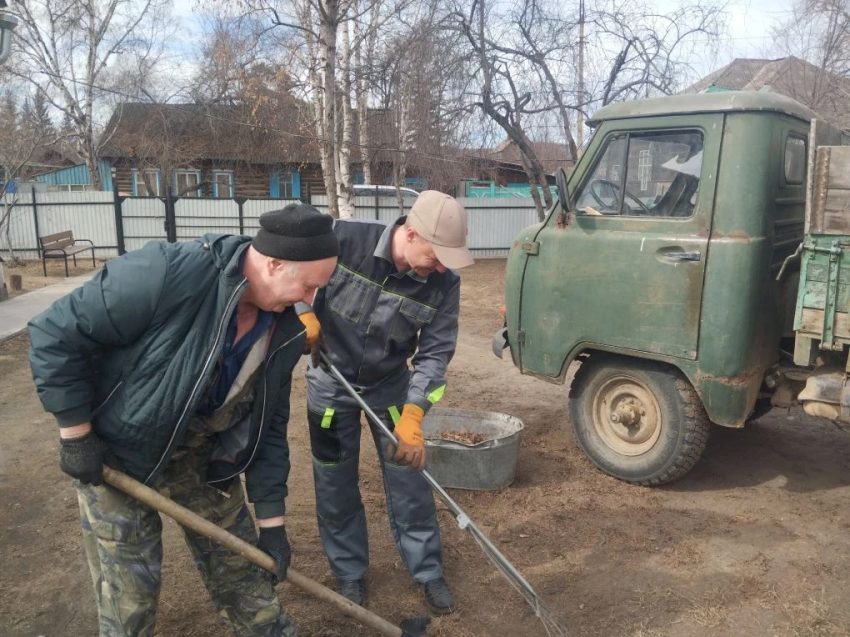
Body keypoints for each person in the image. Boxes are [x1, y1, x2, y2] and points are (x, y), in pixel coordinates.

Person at [28, 204, 339, 637]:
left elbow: (267, 429)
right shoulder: (167, 272)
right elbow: (53, 333)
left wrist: (272, 526)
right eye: (308, 287)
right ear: (273, 263)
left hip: (203, 457)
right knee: (130, 599)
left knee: (245, 576)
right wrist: (75, 434)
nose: (309, 302)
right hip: (121, 455)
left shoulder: (283, 331)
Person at [301, 190, 474, 614]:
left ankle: (428, 571)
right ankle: (349, 573)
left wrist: (415, 412)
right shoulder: (343, 241)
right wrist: (300, 309)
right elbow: (284, 262)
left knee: (410, 481)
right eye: (437, 254)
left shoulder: (443, 284)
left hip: (392, 391)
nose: (442, 265)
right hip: (330, 384)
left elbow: (435, 355)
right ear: (410, 233)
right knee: (334, 481)